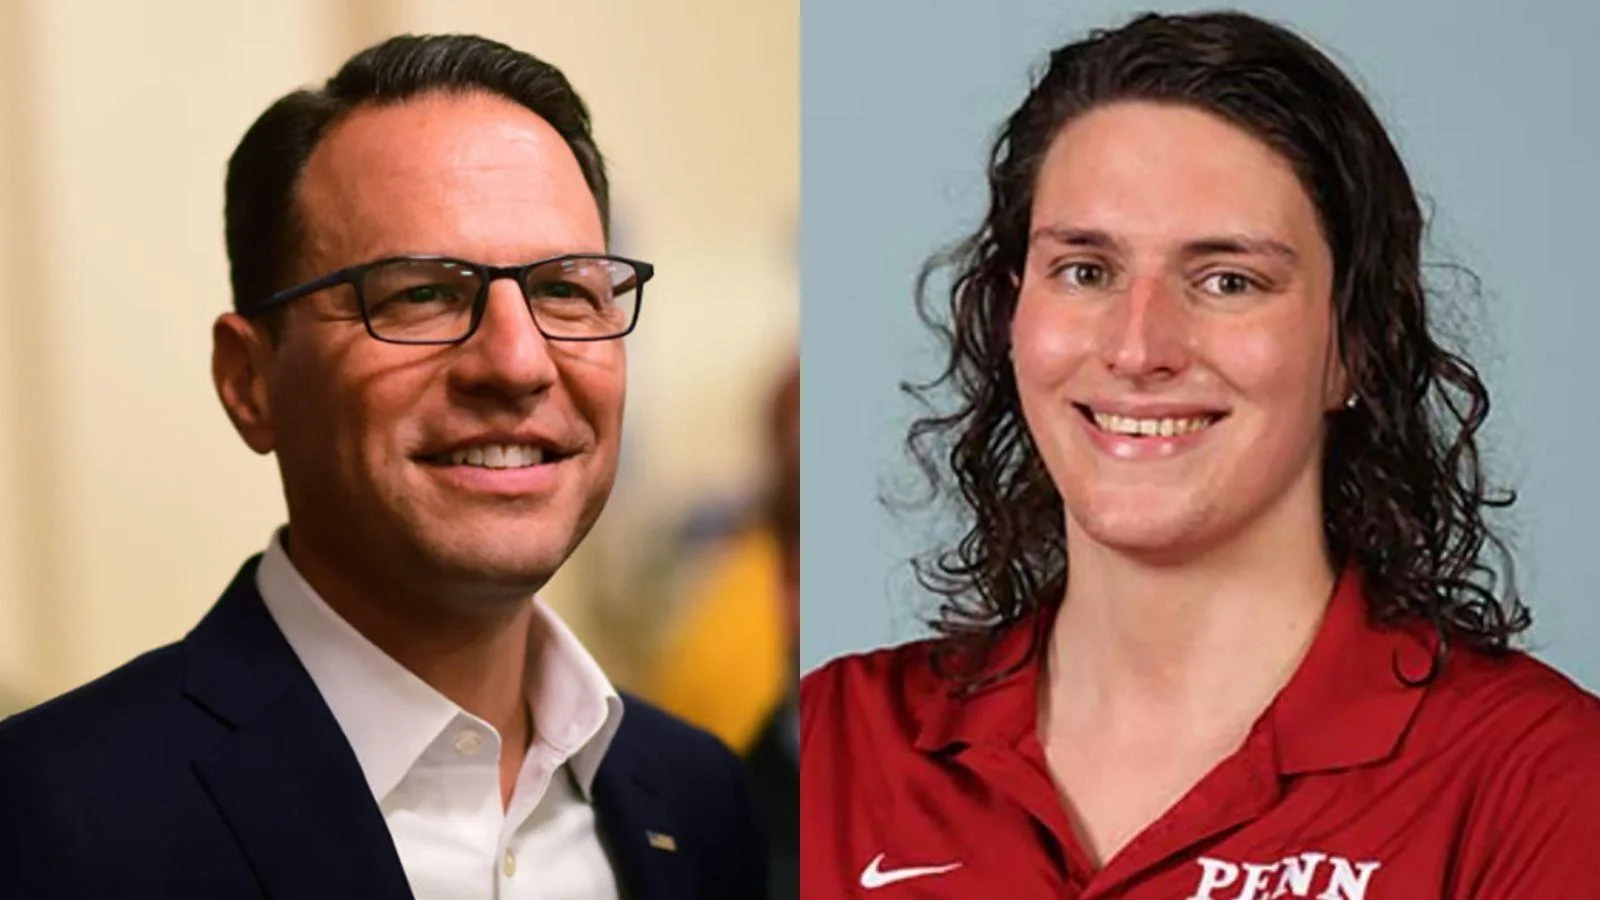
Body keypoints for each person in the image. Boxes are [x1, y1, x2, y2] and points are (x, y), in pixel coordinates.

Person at [801, 11, 1600, 899]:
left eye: (1228, 281)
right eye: (1086, 271)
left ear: (1356, 345)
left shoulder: (1537, 783)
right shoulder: (832, 746)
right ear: (1010, 315)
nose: (1140, 348)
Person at [0, 34, 767, 900]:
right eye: (420, 294)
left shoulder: (702, 802)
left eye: (565, 290)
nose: (517, 363)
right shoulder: (51, 818)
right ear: (249, 381)